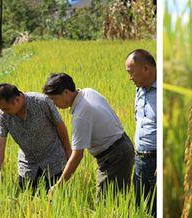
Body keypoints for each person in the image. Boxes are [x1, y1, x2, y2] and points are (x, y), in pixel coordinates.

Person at [44, 73, 134, 198]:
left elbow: (77, 155)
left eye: (54, 99)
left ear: (66, 93)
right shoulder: (88, 91)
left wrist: (59, 185)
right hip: (122, 146)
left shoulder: (81, 114)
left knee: (105, 204)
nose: (54, 104)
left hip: (115, 156)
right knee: (118, 199)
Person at [0, 83, 71, 193]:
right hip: (28, 166)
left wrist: (68, 152)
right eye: (1, 109)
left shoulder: (41, 102)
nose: (4, 112)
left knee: (57, 200)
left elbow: (60, 126)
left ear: (17, 99)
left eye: (6, 108)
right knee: (29, 201)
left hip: (54, 160)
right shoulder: (3, 115)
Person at [125, 49, 157, 216]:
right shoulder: (140, 90)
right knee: (139, 208)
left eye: (131, 72)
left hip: (155, 160)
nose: (130, 78)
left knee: (154, 209)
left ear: (145, 69)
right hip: (140, 160)